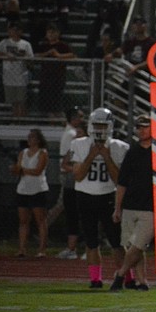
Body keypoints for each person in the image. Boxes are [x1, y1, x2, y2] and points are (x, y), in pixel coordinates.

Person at [69, 107, 129, 288]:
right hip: (85, 195)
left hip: (108, 195)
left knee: (116, 241)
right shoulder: (79, 144)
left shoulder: (119, 147)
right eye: (97, 125)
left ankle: (127, 277)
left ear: (110, 127)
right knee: (91, 240)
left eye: (103, 126)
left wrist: (107, 157)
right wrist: (92, 155)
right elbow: (78, 176)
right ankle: (95, 279)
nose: (100, 130)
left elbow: (120, 179)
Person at [110, 114, 154, 291]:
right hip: (130, 204)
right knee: (133, 246)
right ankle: (142, 281)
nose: (141, 130)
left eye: (145, 127)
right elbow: (122, 183)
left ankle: (120, 275)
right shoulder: (132, 152)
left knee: (138, 244)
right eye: (139, 127)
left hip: (150, 206)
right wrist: (118, 208)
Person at [11, 128, 49, 258]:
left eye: (32, 137)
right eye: (29, 137)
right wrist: (17, 170)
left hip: (37, 189)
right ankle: (22, 248)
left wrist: (22, 170)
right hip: (23, 189)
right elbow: (17, 169)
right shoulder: (23, 152)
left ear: (38, 139)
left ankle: (42, 249)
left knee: (40, 220)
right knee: (23, 220)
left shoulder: (42, 153)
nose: (29, 139)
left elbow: (38, 170)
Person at [56, 106, 86, 259]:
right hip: (72, 183)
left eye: (81, 133)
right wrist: (76, 169)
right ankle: (71, 248)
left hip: (85, 185)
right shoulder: (73, 145)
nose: (78, 136)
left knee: (87, 215)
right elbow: (65, 164)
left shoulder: (89, 147)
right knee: (71, 215)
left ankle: (90, 248)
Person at [0, 21, 33, 117]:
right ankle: (16, 118)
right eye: (11, 29)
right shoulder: (4, 42)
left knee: (21, 101)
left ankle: (21, 120)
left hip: (21, 76)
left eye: (16, 30)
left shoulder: (25, 44)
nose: (13, 32)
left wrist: (24, 57)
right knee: (13, 102)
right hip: (8, 76)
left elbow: (31, 59)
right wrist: (6, 55)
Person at [34, 22, 75, 117]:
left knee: (57, 102)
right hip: (45, 78)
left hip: (58, 78)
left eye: (53, 32)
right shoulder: (43, 45)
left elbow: (72, 55)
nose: (51, 34)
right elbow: (36, 55)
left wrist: (58, 55)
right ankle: (49, 121)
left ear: (58, 33)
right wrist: (47, 53)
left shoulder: (63, 45)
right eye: (49, 32)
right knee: (46, 103)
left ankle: (58, 121)